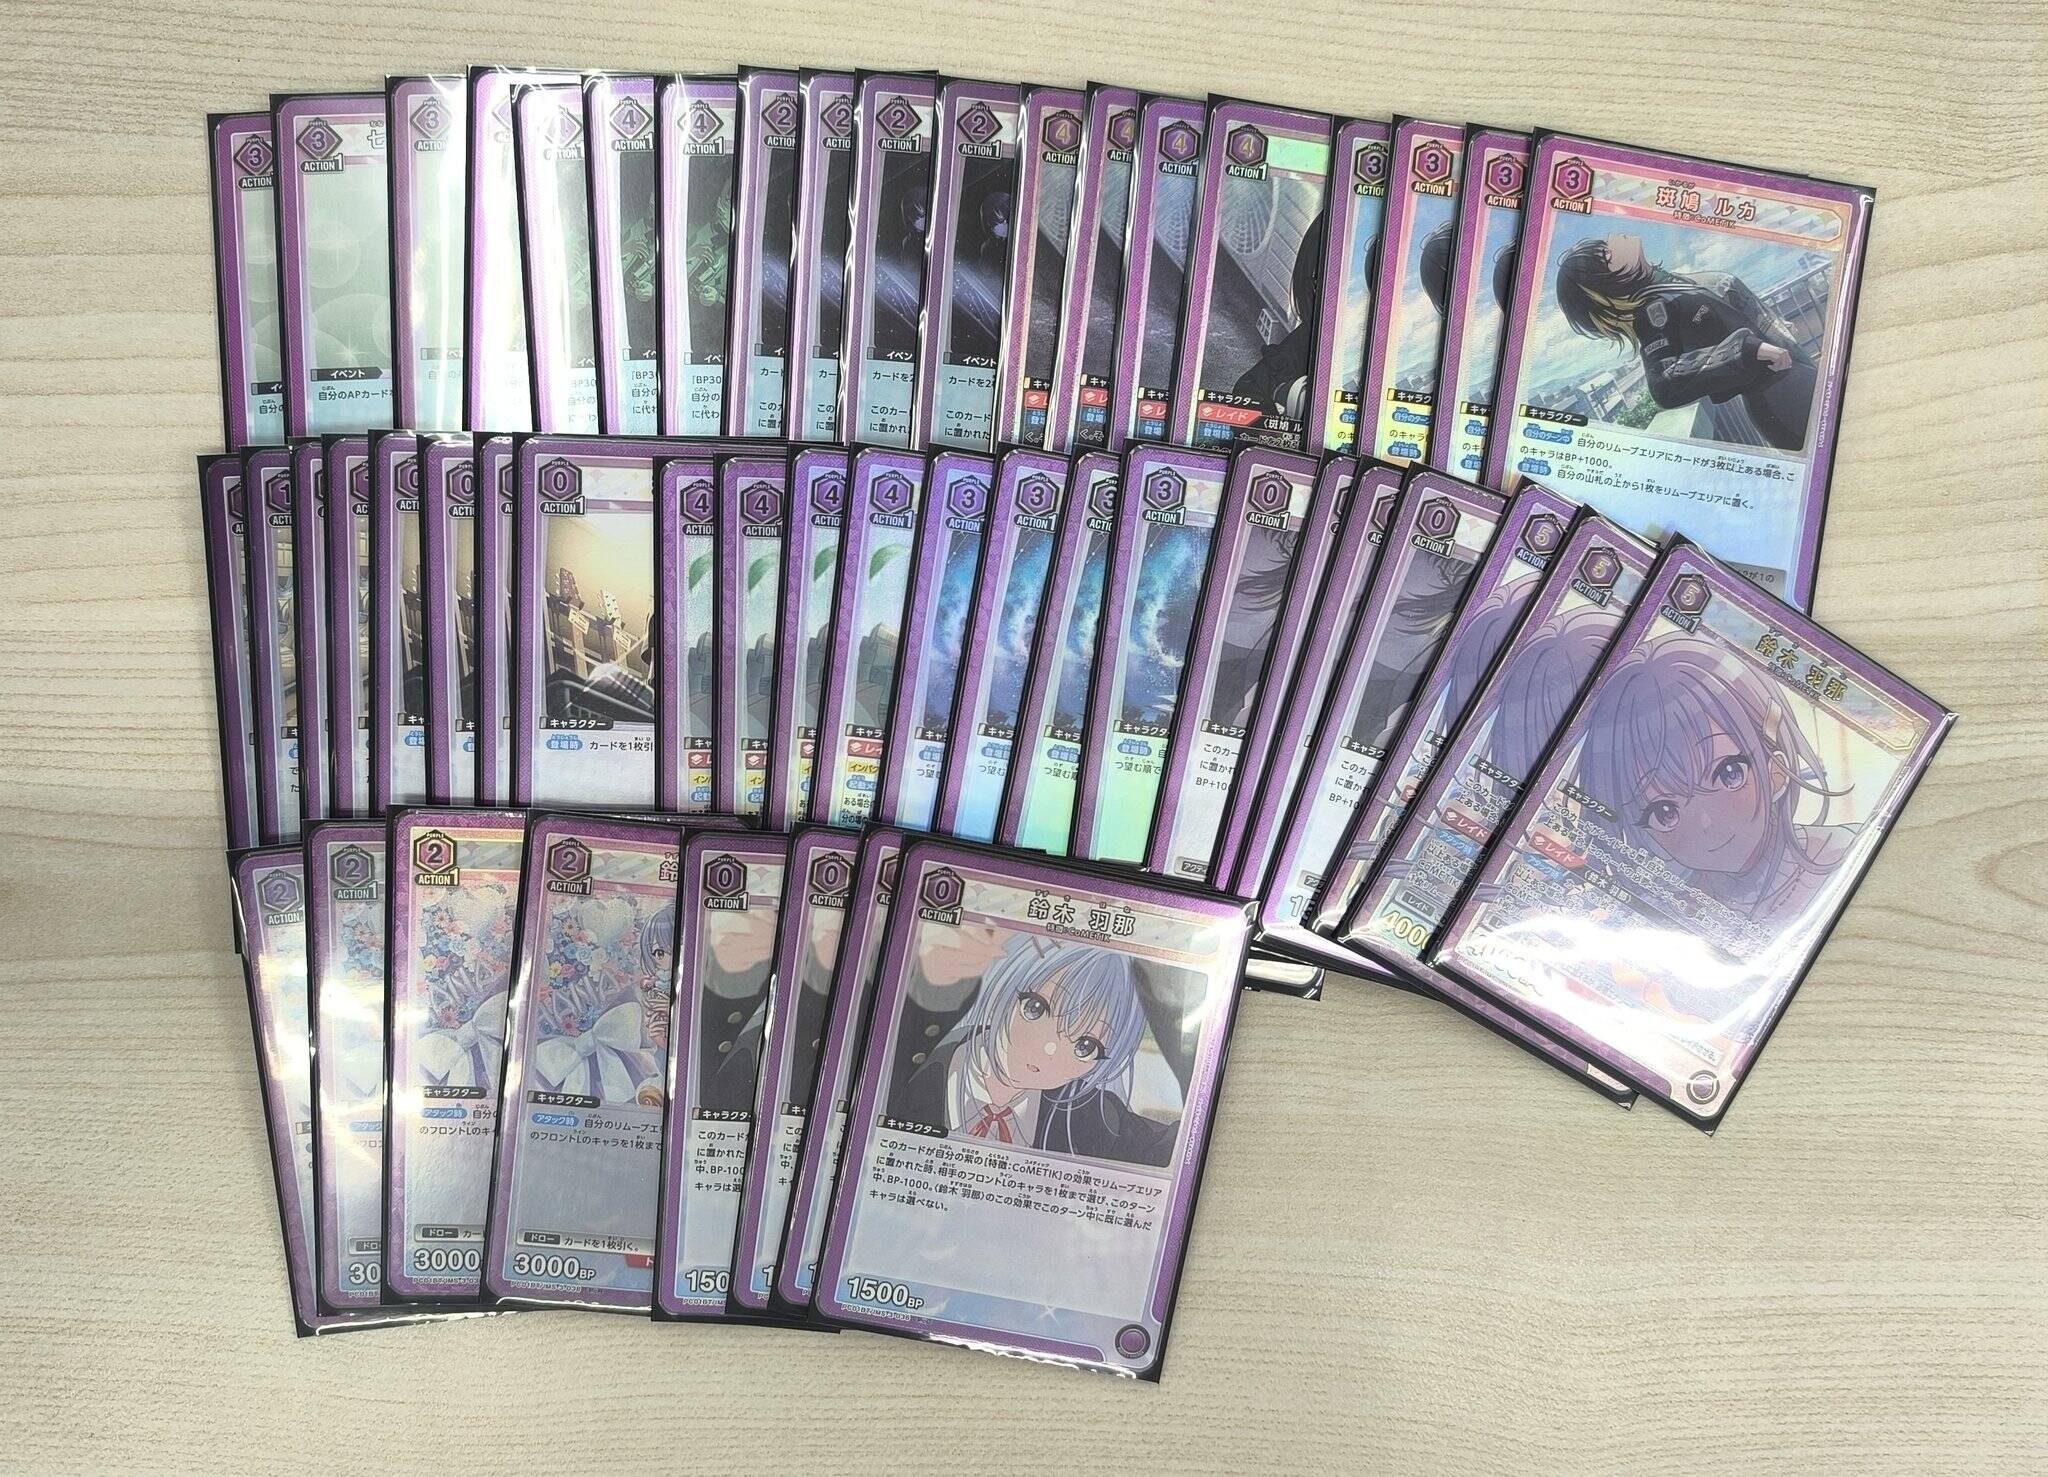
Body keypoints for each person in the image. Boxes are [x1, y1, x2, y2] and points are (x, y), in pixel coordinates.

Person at [890, 936, 1176, 1168]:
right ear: (1005, 985)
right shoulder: (902, 1071)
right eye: (1035, 1009)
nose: (1049, 1050)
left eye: (1085, 1046)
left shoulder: (1095, 1119)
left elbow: (1177, 1148)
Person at [1553, 232, 1816, 452]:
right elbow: (1664, 381)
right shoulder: (1653, 310)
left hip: (1794, 376)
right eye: (1609, 255)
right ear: (1607, 287)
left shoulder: (1672, 285)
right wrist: (1745, 350)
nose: (1617, 239)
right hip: (1780, 396)